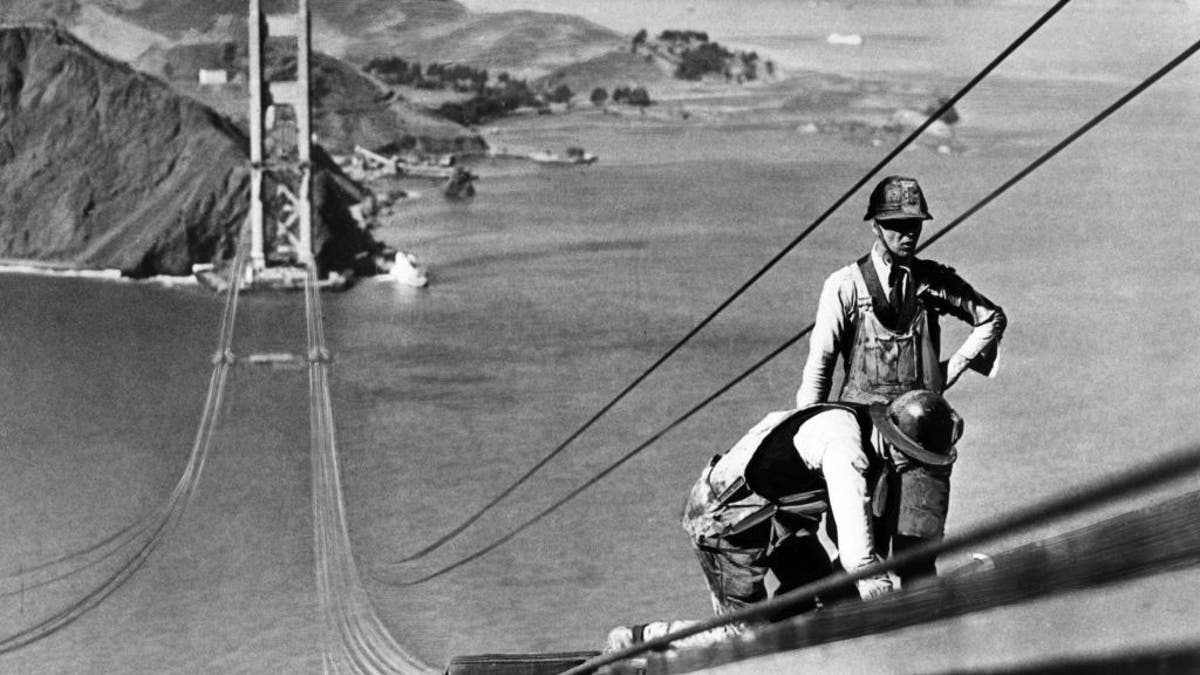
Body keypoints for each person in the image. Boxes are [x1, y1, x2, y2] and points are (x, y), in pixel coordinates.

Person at [605, 391, 962, 652]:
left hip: (781, 519)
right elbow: (857, 558)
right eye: (917, 460)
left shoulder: (870, 425)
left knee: (818, 597)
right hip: (725, 522)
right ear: (899, 447)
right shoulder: (846, 451)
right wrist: (899, 612)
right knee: (747, 642)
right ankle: (641, 640)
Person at [796, 175, 1005, 583]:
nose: (907, 234)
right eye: (896, 225)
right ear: (875, 226)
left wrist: (950, 371)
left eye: (914, 225)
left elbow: (991, 317)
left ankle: (920, 631)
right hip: (859, 432)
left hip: (919, 437)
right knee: (858, 552)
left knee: (917, 552)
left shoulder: (933, 283)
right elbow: (819, 367)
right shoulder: (844, 286)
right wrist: (809, 440)